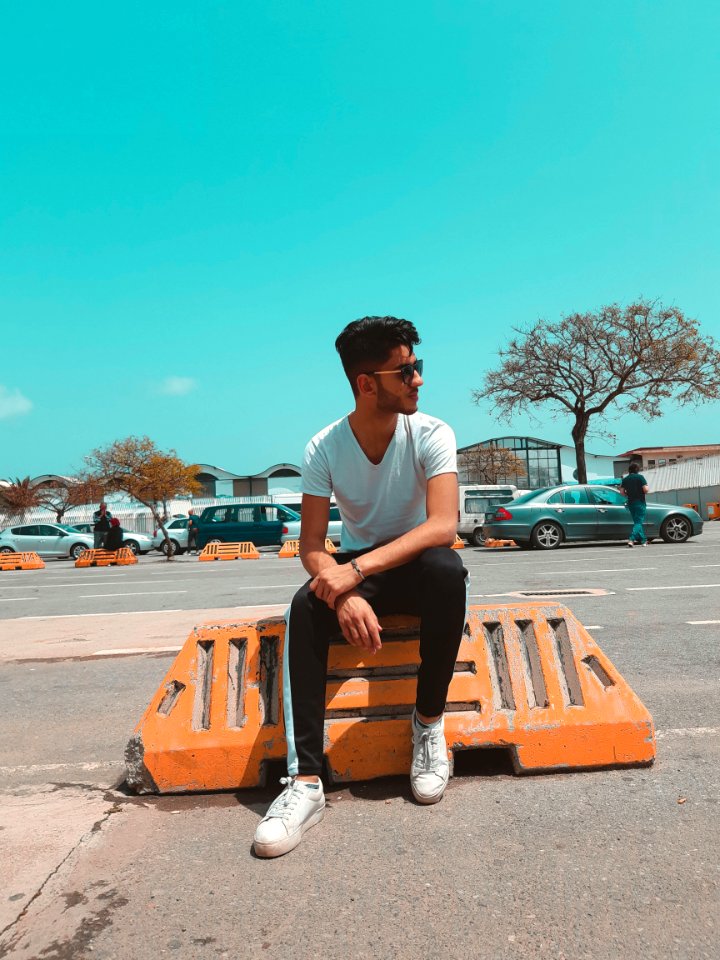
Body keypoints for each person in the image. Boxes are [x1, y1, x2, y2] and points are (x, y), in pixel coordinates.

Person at [253, 316, 467, 859]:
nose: (418, 379)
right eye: (406, 370)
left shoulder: (433, 432)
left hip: (414, 563)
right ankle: (305, 783)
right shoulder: (323, 448)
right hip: (359, 574)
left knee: (447, 570)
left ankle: (427, 728)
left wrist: (357, 570)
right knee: (304, 606)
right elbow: (311, 547)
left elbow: (444, 525)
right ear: (365, 382)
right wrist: (343, 590)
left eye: (418, 366)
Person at [620, 462, 650, 547]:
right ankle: (631, 539)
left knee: (637, 522)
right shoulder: (640, 477)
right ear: (637, 470)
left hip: (631, 503)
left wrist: (628, 494)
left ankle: (643, 541)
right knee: (638, 522)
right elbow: (646, 490)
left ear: (629, 470)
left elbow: (621, 492)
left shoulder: (625, 479)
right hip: (640, 502)